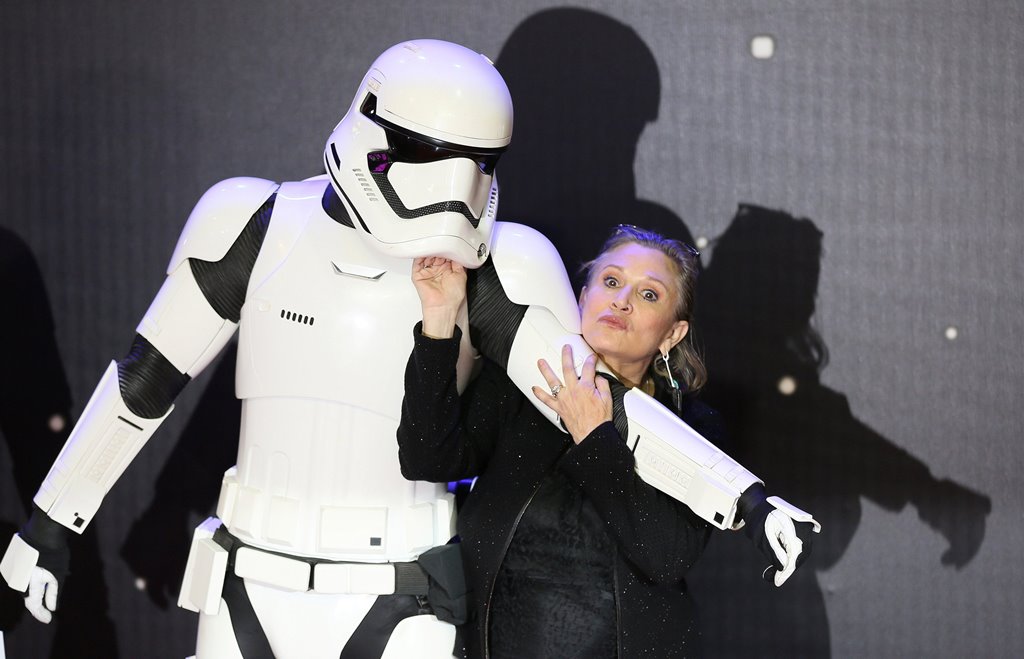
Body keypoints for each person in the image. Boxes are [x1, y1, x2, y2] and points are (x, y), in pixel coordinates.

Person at [2, 38, 814, 658]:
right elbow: (146, 382)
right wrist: (47, 522)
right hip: (249, 573)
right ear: (376, 129)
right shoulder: (254, 221)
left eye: (479, 163)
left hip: (402, 593)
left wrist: (744, 498)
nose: (455, 186)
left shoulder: (503, 259)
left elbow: (592, 405)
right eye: (432, 152)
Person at [398, 225, 812, 658]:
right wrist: (441, 317)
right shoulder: (519, 387)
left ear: (672, 334)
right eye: (611, 282)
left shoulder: (694, 428)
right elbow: (428, 458)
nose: (622, 300)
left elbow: (667, 556)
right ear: (581, 297)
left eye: (649, 294)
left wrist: (595, 437)